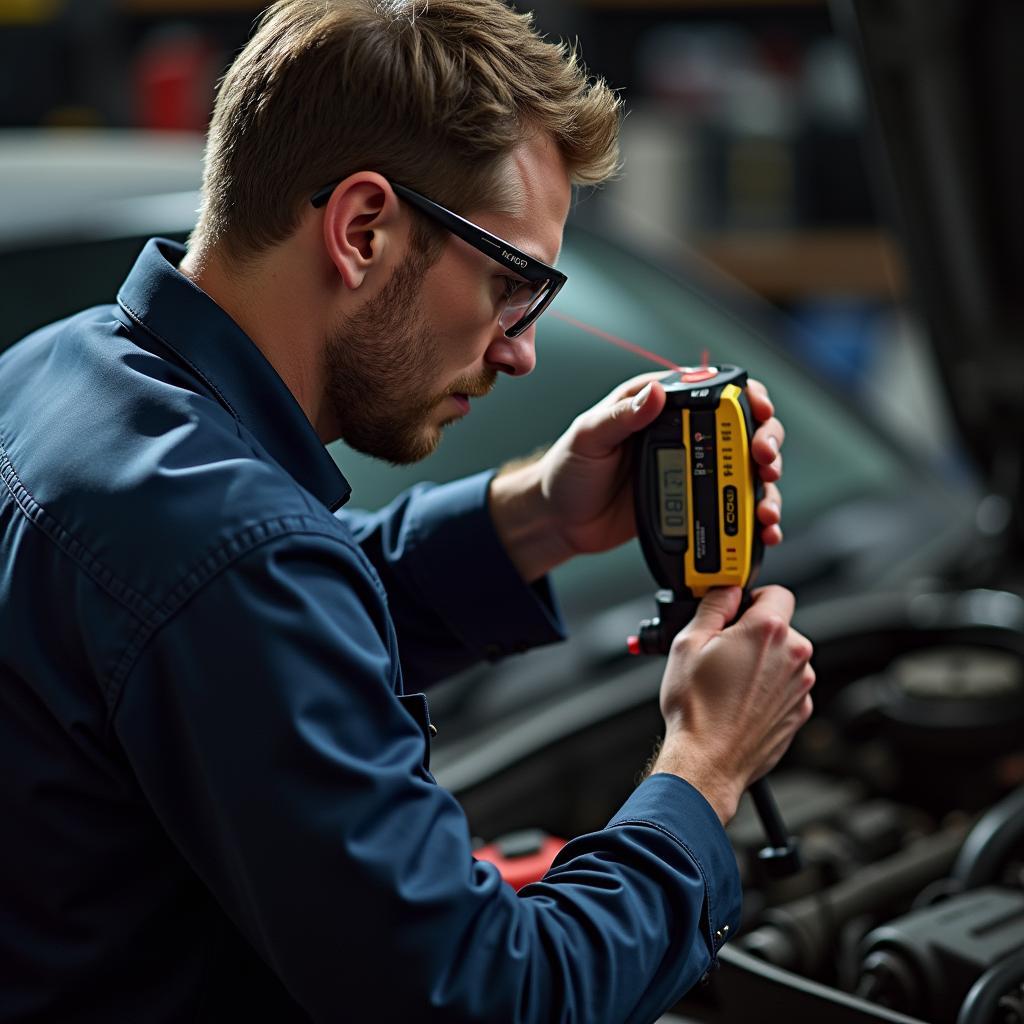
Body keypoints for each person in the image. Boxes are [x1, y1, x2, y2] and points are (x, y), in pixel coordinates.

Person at [0, 1, 813, 1021]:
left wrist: (536, 517)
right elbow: (491, 996)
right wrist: (703, 765)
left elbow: (240, 632)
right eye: (511, 284)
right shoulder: (227, 553)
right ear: (363, 229)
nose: (518, 348)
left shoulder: (57, 372)